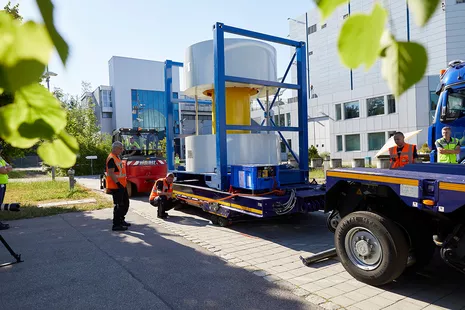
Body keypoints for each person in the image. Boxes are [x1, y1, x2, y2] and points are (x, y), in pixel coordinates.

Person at [106, 141, 131, 231]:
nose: (122, 150)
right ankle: (116, 224)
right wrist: (118, 183)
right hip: (116, 186)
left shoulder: (117, 157)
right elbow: (111, 173)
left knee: (125, 203)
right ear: (115, 148)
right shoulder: (111, 158)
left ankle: (121, 220)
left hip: (121, 185)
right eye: (120, 148)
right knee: (119, 205)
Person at [0, 145, 12, 230]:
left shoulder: (0, 159)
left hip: (3, 184)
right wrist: (5, 168)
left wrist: (6, 168)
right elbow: (3, 171)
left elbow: (10, 167)